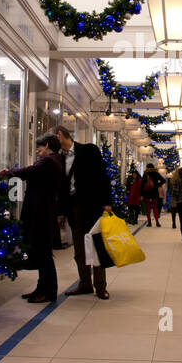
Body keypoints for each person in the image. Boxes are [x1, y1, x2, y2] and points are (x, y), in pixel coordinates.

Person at [0, 135, 65, 304]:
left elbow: (28, 171)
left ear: (48, 145)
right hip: (42, 210)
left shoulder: (49, 161)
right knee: (42, 252)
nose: (37, 151)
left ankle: (48, 291)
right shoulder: (54, 160)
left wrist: (8, 172)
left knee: (43, 253)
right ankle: (42, 288)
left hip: (41, 212)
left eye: (39, 147)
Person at [53, 126, 113, 300]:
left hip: (92, 206)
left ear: (60, 135)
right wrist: (61, 213)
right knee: (79, 248)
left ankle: (100, 286)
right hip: (72, 208)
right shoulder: (58, 157)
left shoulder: (88, 150)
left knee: (95, 245)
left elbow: (103, 176)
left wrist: (107, 202)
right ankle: (85, 283)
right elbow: (61, 188)